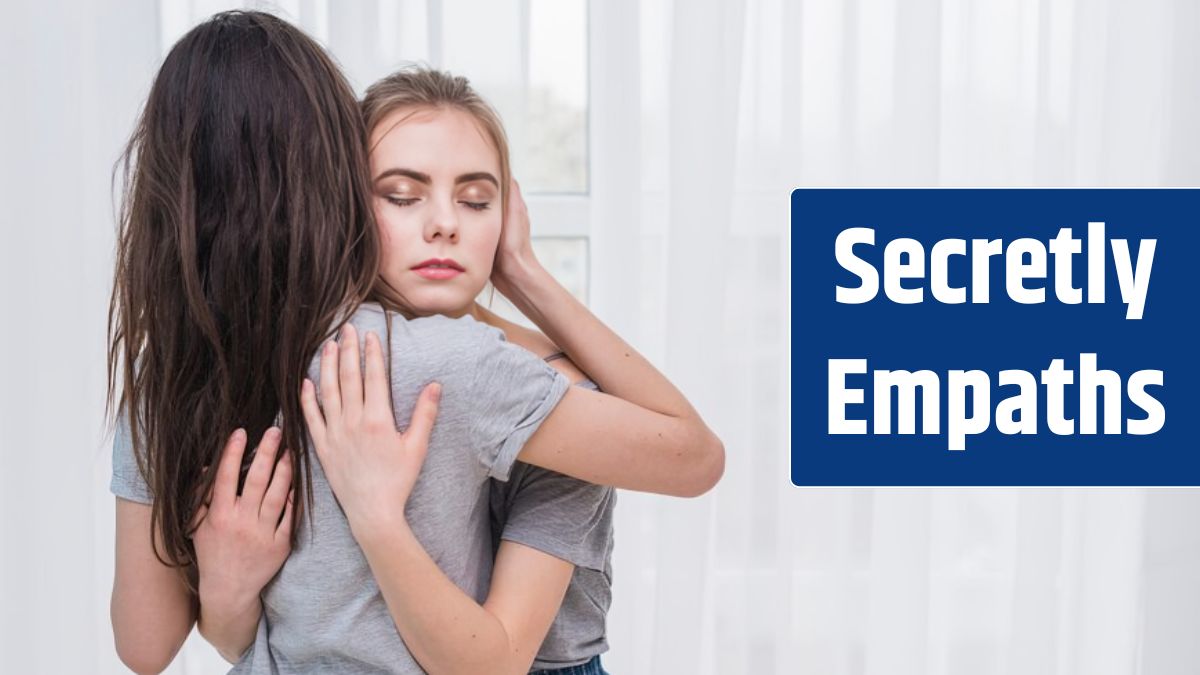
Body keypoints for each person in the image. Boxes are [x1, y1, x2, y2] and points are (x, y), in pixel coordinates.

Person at [109, 12, 723, 674]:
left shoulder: (172, 363)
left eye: (477, 200)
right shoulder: (450, 366)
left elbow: (153, 646)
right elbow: (695, 456)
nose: (442, 225)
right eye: (400, 194)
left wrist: (229, 600)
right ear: (341, 193)